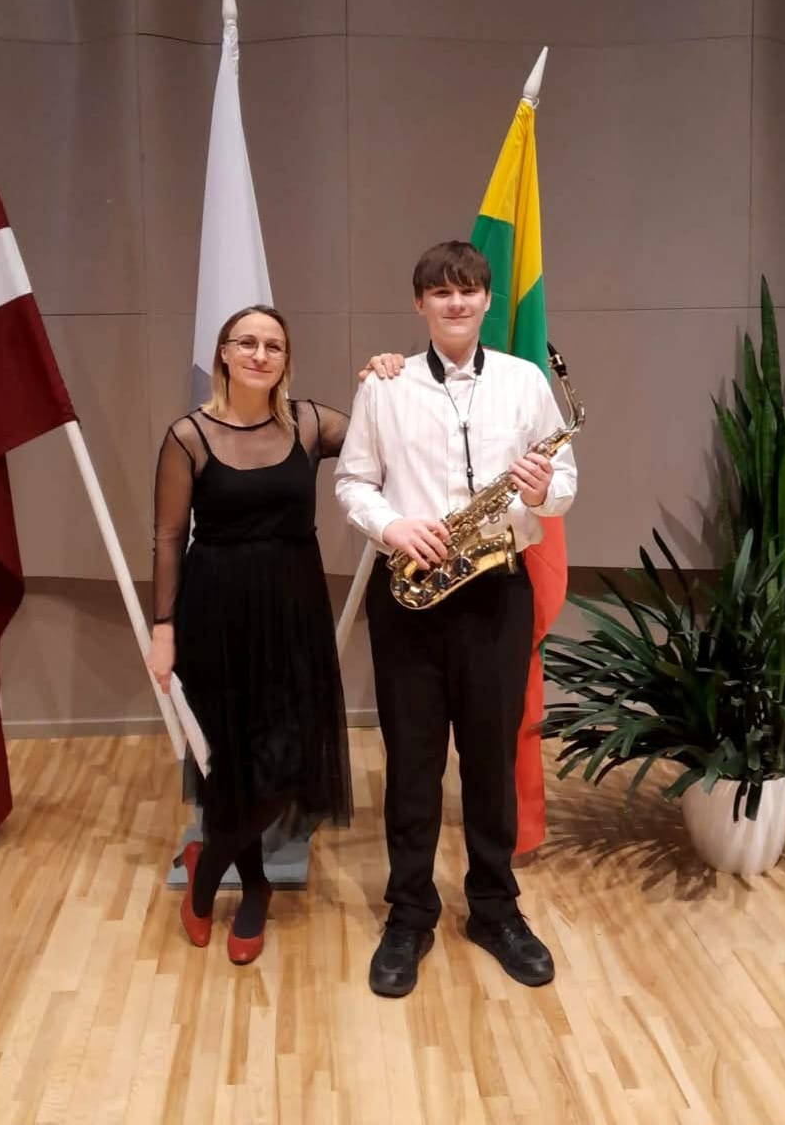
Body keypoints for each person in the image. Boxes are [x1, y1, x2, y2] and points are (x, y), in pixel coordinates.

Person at [335, 240, 577, 997]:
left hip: (495, 590)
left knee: (489, 759)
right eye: (440, 292)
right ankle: (409, 913)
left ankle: (494, 909)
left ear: (486, 300)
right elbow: (352, 481)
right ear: (420, 304)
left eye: (468, 290)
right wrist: (392, 525)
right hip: (410, 591)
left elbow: (564, 483)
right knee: (411, 761)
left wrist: (539, 491)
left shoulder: (525, 380)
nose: (456, 302)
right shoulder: (386, 385)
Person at [148, 304, 400, 964]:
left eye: (273, 345)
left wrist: (386, 377)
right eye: (247, 343)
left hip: (293, 610)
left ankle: (205, 872)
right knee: (230, 758)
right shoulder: (188, 436)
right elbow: (169, 537)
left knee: (288, 762)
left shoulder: (311, 424)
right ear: (224, 353)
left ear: (286, 359)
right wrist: (163, 629)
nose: (260, 354)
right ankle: (255, 887)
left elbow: (389, 430)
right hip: (214, 614)